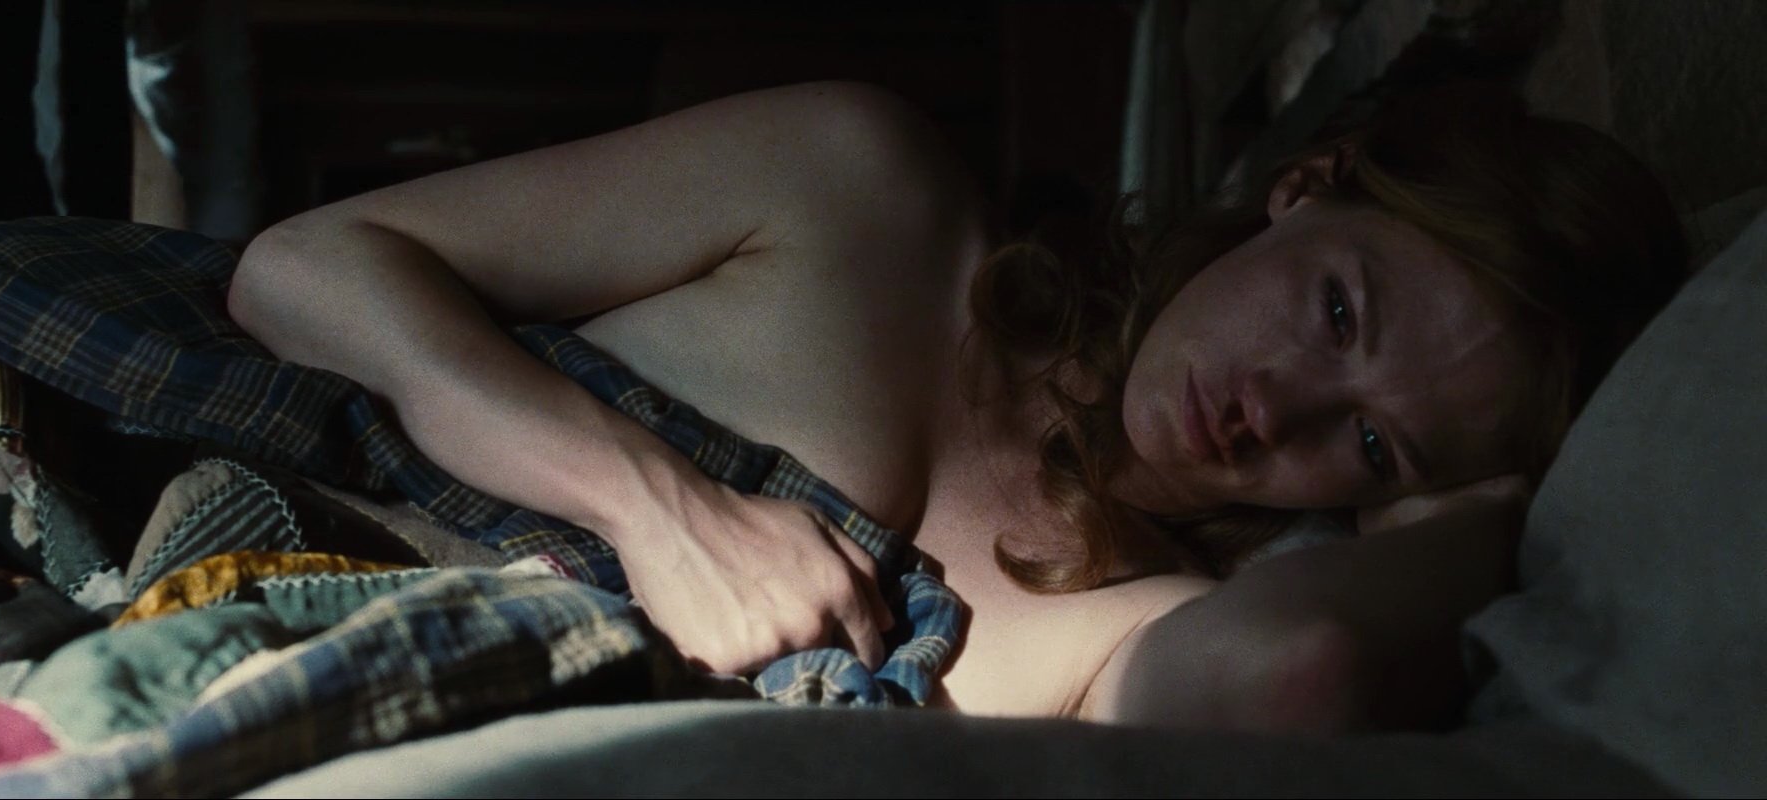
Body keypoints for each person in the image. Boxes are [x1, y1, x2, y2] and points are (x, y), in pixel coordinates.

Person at [225, 80, 1686, 730]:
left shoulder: (1127, 623)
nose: (1276, 410)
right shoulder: (864, 189)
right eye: (1337, 313)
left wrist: (1483, 514)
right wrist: (657, 508)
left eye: (1368, 439)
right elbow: (303, 271)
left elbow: (1296, 675)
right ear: (1303, 192)